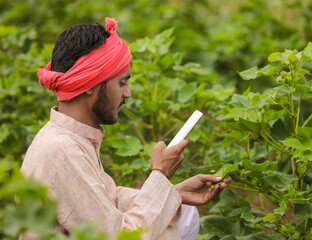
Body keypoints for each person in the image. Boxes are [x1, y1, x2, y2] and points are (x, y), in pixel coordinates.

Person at [20, 17, 227, 240]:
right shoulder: (61, 149)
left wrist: (174, 193)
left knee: (185, 213)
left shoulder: (68, 136)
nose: (127, 93)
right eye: (121, 83)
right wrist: (161, 173)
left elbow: (102, 200)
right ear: (90, 85)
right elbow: (123, 236)